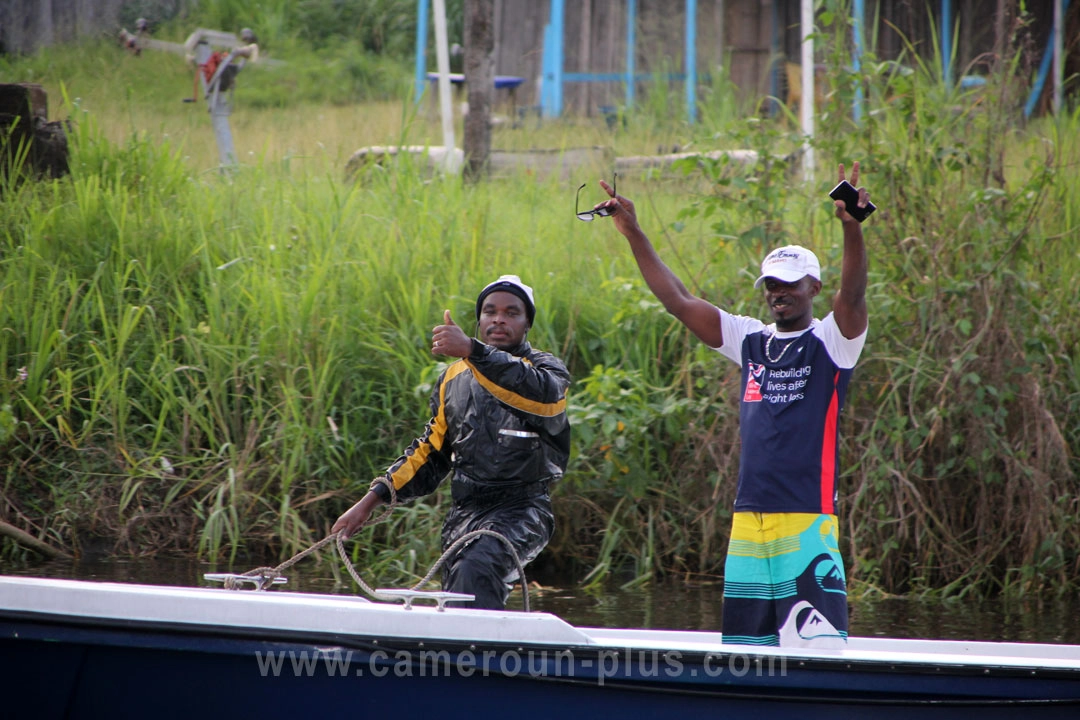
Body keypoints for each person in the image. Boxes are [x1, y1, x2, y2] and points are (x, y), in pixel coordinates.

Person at [594, 163, 870, 648]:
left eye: (788, 283)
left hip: (806, 517)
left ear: (813, 288)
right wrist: (633, 231)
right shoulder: (748, 339)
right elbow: (678, 300)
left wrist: (851, 228)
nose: (777, 292)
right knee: (747, 650)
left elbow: (854, 292)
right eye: (770, 283)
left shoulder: (833, 341)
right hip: (749, 518)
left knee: (816, 650)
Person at [332, 275, 571, 610]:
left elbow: (541, 396)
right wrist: (370, 501)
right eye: (490, 311)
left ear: (527, 322)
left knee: (480, 565)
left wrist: (475, 351)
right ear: (479, 319)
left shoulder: (546, 372)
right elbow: (429, 452)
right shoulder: (452, 378)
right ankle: (464, 659)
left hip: (522, 509)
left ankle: (480, 660)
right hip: (464, 512)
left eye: (511, 312)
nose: (499, 318)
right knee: (460, 594)